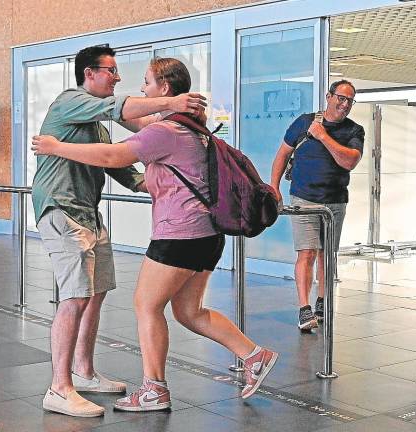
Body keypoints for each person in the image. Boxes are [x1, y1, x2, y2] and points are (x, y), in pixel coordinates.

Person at [32, 57, 279, 412]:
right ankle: (255, 355)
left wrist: (56, 147)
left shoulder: (165, 131)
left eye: (146, 83)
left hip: (178, 234)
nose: (140, 90)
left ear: (164, 89)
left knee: (146, 306)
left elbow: (113, 155)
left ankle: (154, 390)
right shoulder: (193, 129)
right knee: (189, 311)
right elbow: (135, 143)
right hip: (208, 235)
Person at [32, 45, 208, 418]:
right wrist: (174, 102)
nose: (117, 78)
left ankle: (83, 371)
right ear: (89, 73)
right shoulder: (71, 100)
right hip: (62, 210)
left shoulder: (93, 121)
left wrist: (149, 182)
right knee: (75, 297)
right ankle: (58, 388)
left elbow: (114, 160)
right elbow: (123, 112)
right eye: (111, 71)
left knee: (95, 294)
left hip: (88, 214)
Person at [269, 80, 364, 331]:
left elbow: (349, 162)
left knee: (326, 254)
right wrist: (274, 187)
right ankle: (304, 308)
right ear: (328, 96)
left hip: (335, 201)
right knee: (307, 252)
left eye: (349, 101)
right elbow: (282, 154)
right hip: (304, 197)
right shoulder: (303, 122)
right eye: (340, 98)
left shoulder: (354, 131)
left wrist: (322, 136)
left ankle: (322, 300)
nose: (344, 105)